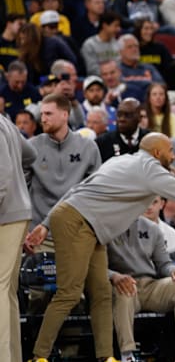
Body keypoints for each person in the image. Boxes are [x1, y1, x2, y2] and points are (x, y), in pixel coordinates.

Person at [24, 132, 175, 362]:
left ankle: (105, 355)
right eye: (170, 150)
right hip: (76, 221)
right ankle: (40, 355)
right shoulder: (151, 169)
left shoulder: (121, 160)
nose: (173, 153)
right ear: (157, 152)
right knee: (70, 292)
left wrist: (45, 224)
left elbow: (78, 188)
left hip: (87, 224)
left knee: (102, 294)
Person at [107, 215, 175, 362]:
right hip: (121, 284)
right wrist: (114, 276)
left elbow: (163, 264)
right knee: (123, 291)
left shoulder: (152, 228)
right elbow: (94, 267)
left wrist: (174, 271)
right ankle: (127, 355)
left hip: (150, 285)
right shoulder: (103, 226)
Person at [28, 93, 103, 250]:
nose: (43, 119)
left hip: (78, 232)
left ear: (64, 115)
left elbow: (94, 193)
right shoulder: (31, 147)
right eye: (41, 114)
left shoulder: (88, 147)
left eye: (48, 114)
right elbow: (21, 190)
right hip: (39, 235)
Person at [0, 113, 36, 362]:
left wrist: (11, 192)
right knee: (8, 290)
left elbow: (1, 178)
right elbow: (30, 154)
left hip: (5, 213)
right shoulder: (5, 122)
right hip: (17, 211)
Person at [95, 98, 149, 162]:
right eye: (119, 115)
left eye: (127, 115)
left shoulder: (150, 140)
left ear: (139, 118)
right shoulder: (102, 142)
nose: (122, 119)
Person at [80, 11, 122, 76]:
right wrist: (110, 74)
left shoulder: (118, 43)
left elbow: (120, 65)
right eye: (116, 26)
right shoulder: (89, 45)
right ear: (105, 26)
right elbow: (92, 69)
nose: (119, 29)